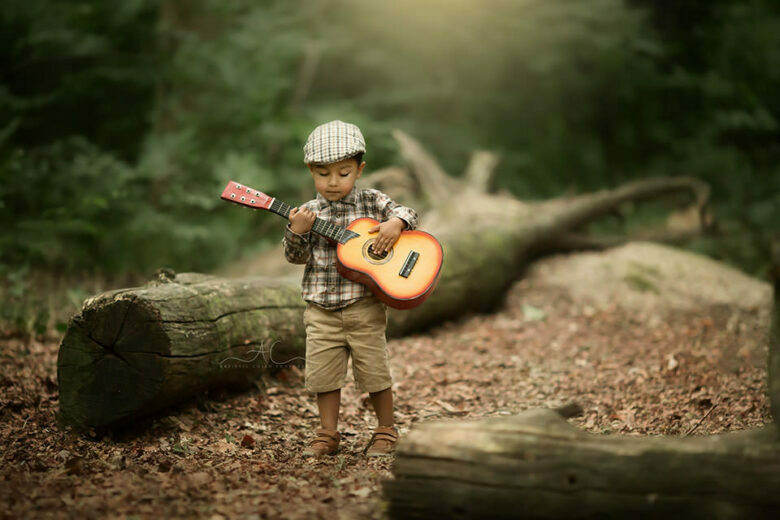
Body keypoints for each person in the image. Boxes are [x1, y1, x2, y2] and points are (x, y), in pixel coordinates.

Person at [282, 120, 418, 457]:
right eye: (323, 173)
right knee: (322, 375)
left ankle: (386, 429)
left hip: (364, 306)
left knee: (374, 369)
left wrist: (395, 224)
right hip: (321, 310)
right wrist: (297, 232)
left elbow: (408, 212)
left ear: (360, 170)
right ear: (311, 171)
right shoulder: (309, 213)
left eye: (344, 173)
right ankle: (327, 432)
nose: (333, 182)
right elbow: (295, 257)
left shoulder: (372, 202)